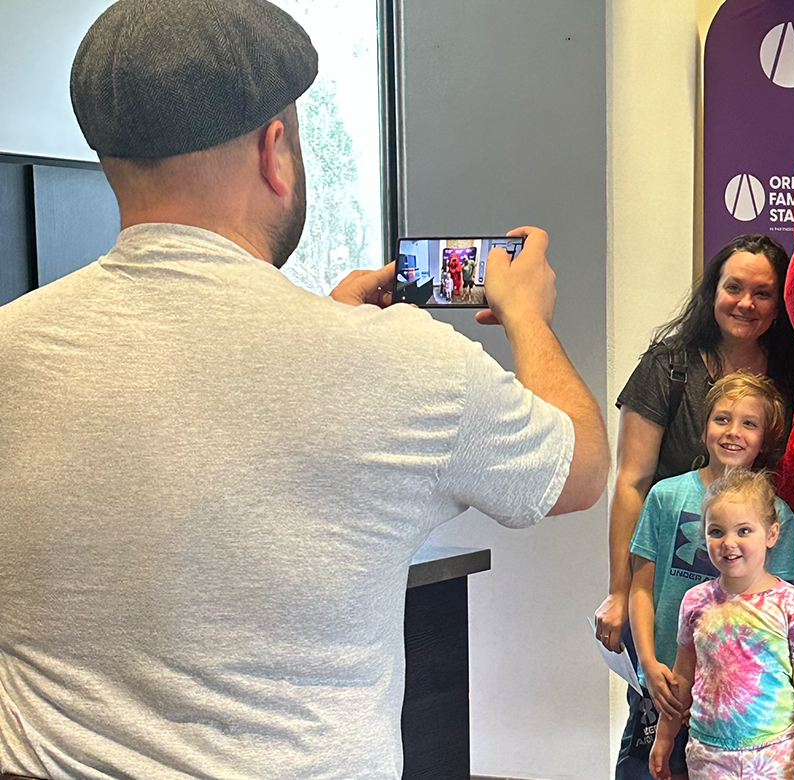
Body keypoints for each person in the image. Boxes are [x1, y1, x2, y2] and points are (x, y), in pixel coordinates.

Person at [0, 2, 608, 779]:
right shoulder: (405, 366)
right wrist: (528, 318)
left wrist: (322, 330)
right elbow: (581, 468)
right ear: (275, 150)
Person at [597, 235, 794, 779]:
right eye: (733, 287)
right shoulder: (670, 366)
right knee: (659, 746)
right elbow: (631, 482)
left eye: (763, 293)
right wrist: (621, 591)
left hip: (747, 633)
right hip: (673, 602)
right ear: (712, 290)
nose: (745, 303)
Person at [628, 372, 794, 779]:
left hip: (735, 707)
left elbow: (778, 619)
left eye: (749, 423)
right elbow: (640, 588)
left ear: (765, 439)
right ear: (704, 428)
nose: (733, 432)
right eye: (722, 419)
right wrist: (649, 663)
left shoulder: (778, 516)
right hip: (666, 684)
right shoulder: (665, 496)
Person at [649, 469, 794, 780]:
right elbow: (682, 676)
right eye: (716, 532)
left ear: (771, 534)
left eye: (744, 530)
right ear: (703, 535)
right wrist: (664, 736)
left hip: (777, 759)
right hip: (709, 758)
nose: (729, 542)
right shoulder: (695, 602)